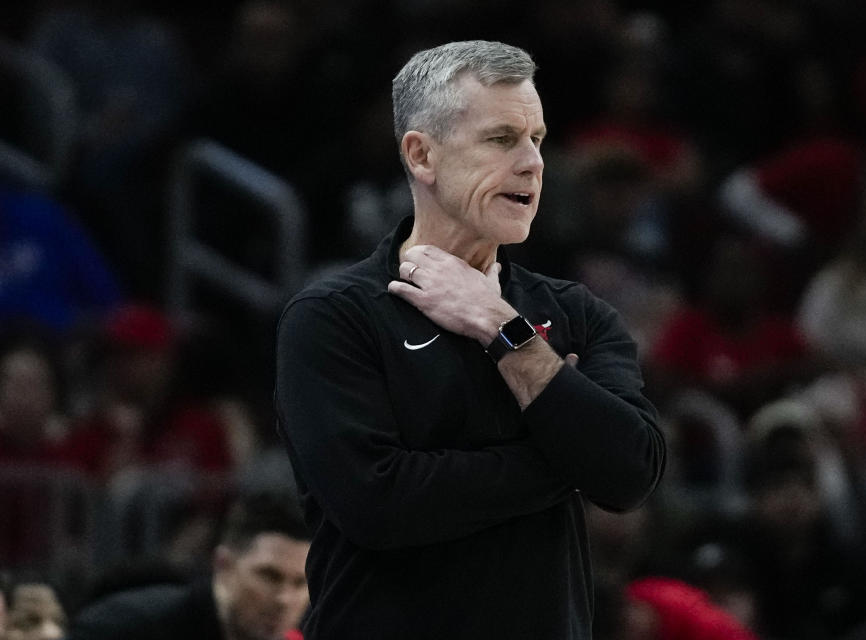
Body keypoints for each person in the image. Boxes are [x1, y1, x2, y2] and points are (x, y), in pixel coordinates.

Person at [275, 40, 666, 639]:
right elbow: (379, 504)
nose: (534, 163)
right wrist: (567, 453)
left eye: (537, 139)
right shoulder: (332, 318)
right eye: (501, 138)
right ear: (422, 155)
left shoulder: (579, 313)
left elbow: (630, 472)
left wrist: (501, 331)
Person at [65, 491, 310, 640]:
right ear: (223, 564)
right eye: (269, 576)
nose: (284, 599)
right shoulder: (127, 627)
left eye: (301, 583)